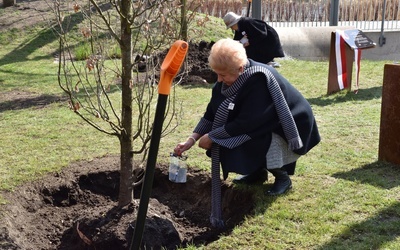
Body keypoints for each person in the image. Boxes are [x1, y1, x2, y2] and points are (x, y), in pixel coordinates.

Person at [174, 38, 320, 227]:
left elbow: (248, 123)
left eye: (223, 75)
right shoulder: (227, 79)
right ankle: (257, 172)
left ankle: (282, 177)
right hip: (260, 121)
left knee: (258, 141)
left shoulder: (259, 80)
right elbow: (212, 113)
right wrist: (192, 139)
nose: (218, 80)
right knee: (239, 138)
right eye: (217, 74)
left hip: (288, 123)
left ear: (240, 69)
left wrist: (212, 137)